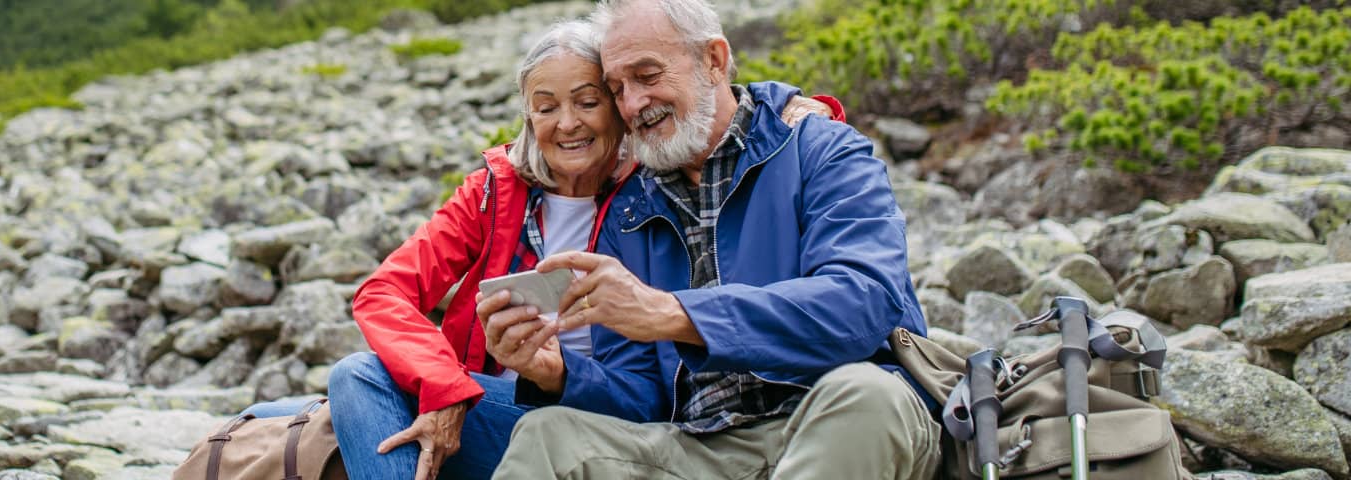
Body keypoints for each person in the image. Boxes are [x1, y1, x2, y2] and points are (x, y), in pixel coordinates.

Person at [236, 20, 843, 480]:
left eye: (587, 101)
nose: (568, 124)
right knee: (328, 389)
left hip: (616, 423)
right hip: (503, 403)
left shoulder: (653, 190)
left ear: (618, 105)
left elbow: (719, 111)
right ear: (527, 115)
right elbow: (384, 292)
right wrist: (445, 386)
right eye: (545, 107)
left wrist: (803, 104)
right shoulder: (495, 192)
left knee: (344, 398)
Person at [485, 0, 942, 478]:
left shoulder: (820, 149)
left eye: (648, 75)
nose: (633, 103)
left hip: (838, 412)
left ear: (714, 61)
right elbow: (641, 398)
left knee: (866, 396)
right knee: (548, 434)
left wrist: (676, 315)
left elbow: (865, 303)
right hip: (705, 448)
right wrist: (557, 372)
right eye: (618, 88)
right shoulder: (629, 210)